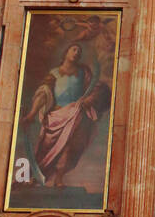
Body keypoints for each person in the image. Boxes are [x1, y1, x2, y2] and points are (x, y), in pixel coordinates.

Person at [20, 43, 110, 189]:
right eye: (73, 49)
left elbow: (95, 87)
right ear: (65, 52)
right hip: (56, 116)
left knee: (69, 147)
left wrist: (90, 99)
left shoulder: (83, 72)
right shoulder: (54, 73)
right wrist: (31, 114)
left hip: (75, 115)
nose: (76, 52)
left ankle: (59, 178)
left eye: (79, 51)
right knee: (44, 148)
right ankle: (35, 176)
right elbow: (43, 93)